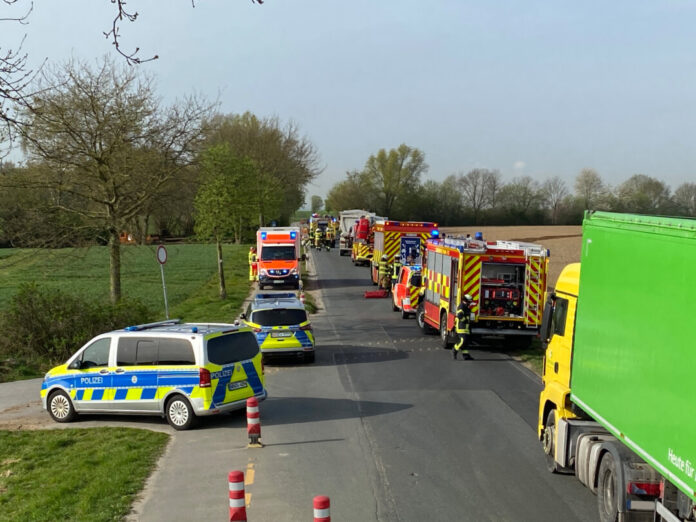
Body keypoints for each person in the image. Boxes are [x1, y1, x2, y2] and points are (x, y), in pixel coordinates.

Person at [453, 294, 474, 360]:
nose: (470, 302)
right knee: (463, 340)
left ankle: (466, 355)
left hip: (466, 328)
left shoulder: (466, 306)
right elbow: (459, 316)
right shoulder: (462, 306)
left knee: (466, 342)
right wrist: (465, 320)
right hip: (461, 327)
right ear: (466, 300)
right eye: (469, 301)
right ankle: (455, 349)